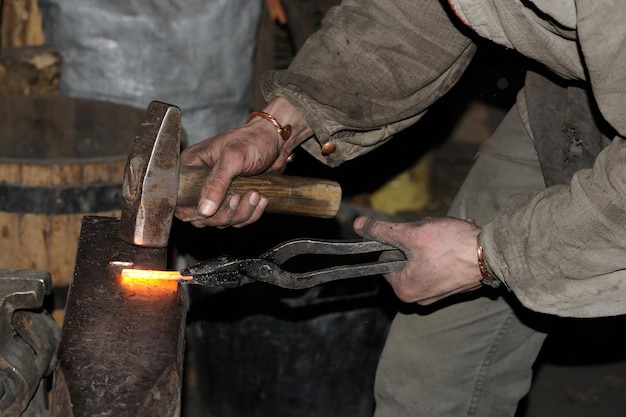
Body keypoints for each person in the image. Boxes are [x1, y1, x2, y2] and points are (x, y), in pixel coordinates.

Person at [175, 0, 626, 415]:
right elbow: (415, 10)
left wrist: (487, 255)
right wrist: (281, 124)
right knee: (431, 376)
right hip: (566, 101)